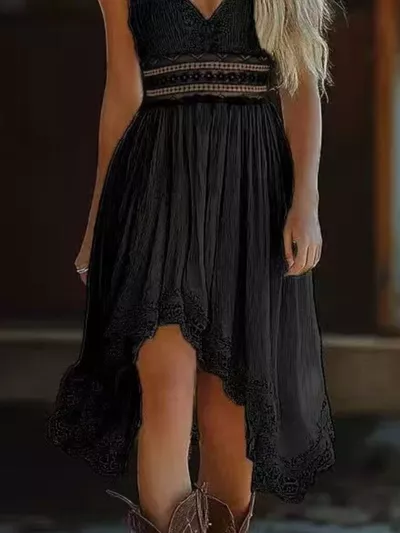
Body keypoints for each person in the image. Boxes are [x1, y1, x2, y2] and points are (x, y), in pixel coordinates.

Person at [47, 0, 336, 531]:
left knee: (229, 417)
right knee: (165, 390)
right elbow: (123, 95)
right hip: (157, 192)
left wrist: (307, 203)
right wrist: (96, 224)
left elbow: (300, 85)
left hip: (252, 198)